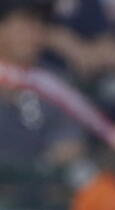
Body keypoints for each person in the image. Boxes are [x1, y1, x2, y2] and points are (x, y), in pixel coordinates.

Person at [0, 0, 85, 167]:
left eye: (41, 24)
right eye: (26, 24)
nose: (36, 34)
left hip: (36, 188)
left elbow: (69, 147)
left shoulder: (54, 82)